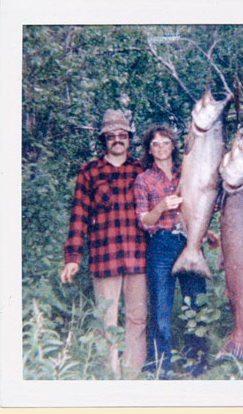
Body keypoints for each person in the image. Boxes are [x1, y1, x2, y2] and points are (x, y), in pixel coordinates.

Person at [60, 109, 147, 378]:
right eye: (111, 136)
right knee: (106, 320)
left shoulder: (141, 169)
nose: (117, 140)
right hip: (104, 257)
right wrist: (73, 258)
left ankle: (132, 374)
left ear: (129, 138)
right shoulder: (89, 172)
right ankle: (109, 377)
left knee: (137, 318)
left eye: (122, 135)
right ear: (104, 140)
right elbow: (78, 216)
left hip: (138, 256)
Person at [134, 125, 209, 378]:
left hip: (190, 241)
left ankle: (196, 365)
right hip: (161, 247)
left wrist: (206, 233)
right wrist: (161, 207)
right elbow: (144, 221)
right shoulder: (143, 179)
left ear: (174, 145)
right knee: (160, 310)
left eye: (165, 142)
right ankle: (160, 368)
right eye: (155, 144)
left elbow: (204, 206)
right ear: (149, 149)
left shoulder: (187, 172)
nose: (161, 147)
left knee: (196, 303)